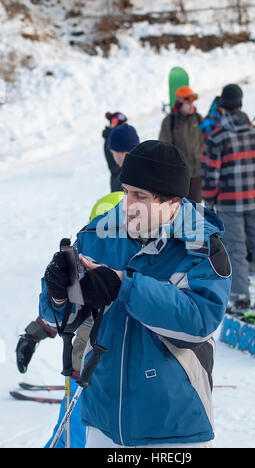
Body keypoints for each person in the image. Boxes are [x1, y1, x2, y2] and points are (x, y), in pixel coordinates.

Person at [39, 140, 232, 448]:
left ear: (172, 202)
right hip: (103, 418)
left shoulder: (200, 244)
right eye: (126, 191)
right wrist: (59, 293)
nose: (127, 204)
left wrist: (124, 285)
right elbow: (65, 317)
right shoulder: (99, 234)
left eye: (140, 196)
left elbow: (198, 321)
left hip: (173, 425)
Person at [15, 123, 139, 375]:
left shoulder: (144, 257)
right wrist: (34, 332)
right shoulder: (94, 248)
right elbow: (68, 301)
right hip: (89, 370)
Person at [202, 83, 255, 312]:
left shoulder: (217, 138)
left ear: (223, 107)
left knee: (236, 249)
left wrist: (210, 202)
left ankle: (239, 298)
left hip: (230, 203)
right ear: (241, 104)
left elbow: (211, 176)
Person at [159, 86, 204, 203]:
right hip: (179, 175)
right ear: (179, 104)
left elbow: (205, 142)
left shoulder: (198, 119)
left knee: (197, 209)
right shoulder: (170, 121)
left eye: (192, 102)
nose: (191, 105)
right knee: (179, 209)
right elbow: (164, 147)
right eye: (188, 103)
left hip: (198, 173)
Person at [102, 111, 128, 191]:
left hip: (119, 179)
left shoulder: (112, 137)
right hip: (119, 180)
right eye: (123, 124)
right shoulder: (112, 139)